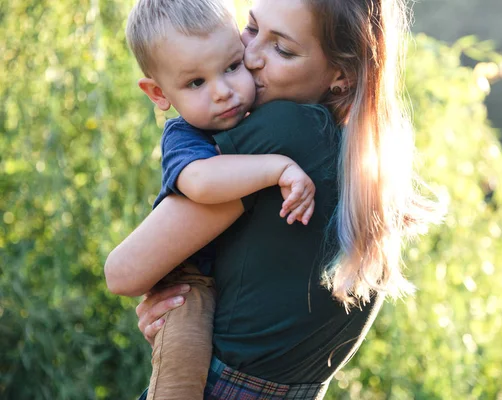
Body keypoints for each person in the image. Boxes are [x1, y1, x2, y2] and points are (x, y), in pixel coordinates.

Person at [104, 0, 443, 398]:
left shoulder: (288, 130)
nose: (249, 57)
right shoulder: (362, 161)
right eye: (250, 28)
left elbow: (123, 272)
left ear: (341, 74)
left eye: (281, 49)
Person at [109, 0, 317, 398]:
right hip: (190, 283)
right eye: (196, 83)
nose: (223, 92)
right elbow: (202, 183)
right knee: (181, 375)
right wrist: (277, 168)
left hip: (234, 282)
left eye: (232, 67)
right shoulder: (184, 137)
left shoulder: (260, 116)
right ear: (158, 92)